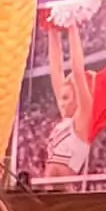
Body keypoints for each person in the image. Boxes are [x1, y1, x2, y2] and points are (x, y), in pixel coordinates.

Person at [43, 19, 96, 178]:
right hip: (48, 189)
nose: (61, 103)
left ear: (77, 99)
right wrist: (51, 28)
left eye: (66, 98)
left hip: (65, 191)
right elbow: (56, 67)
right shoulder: (66, 119)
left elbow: (77, 70)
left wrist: (72, 24)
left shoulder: (83, 118)